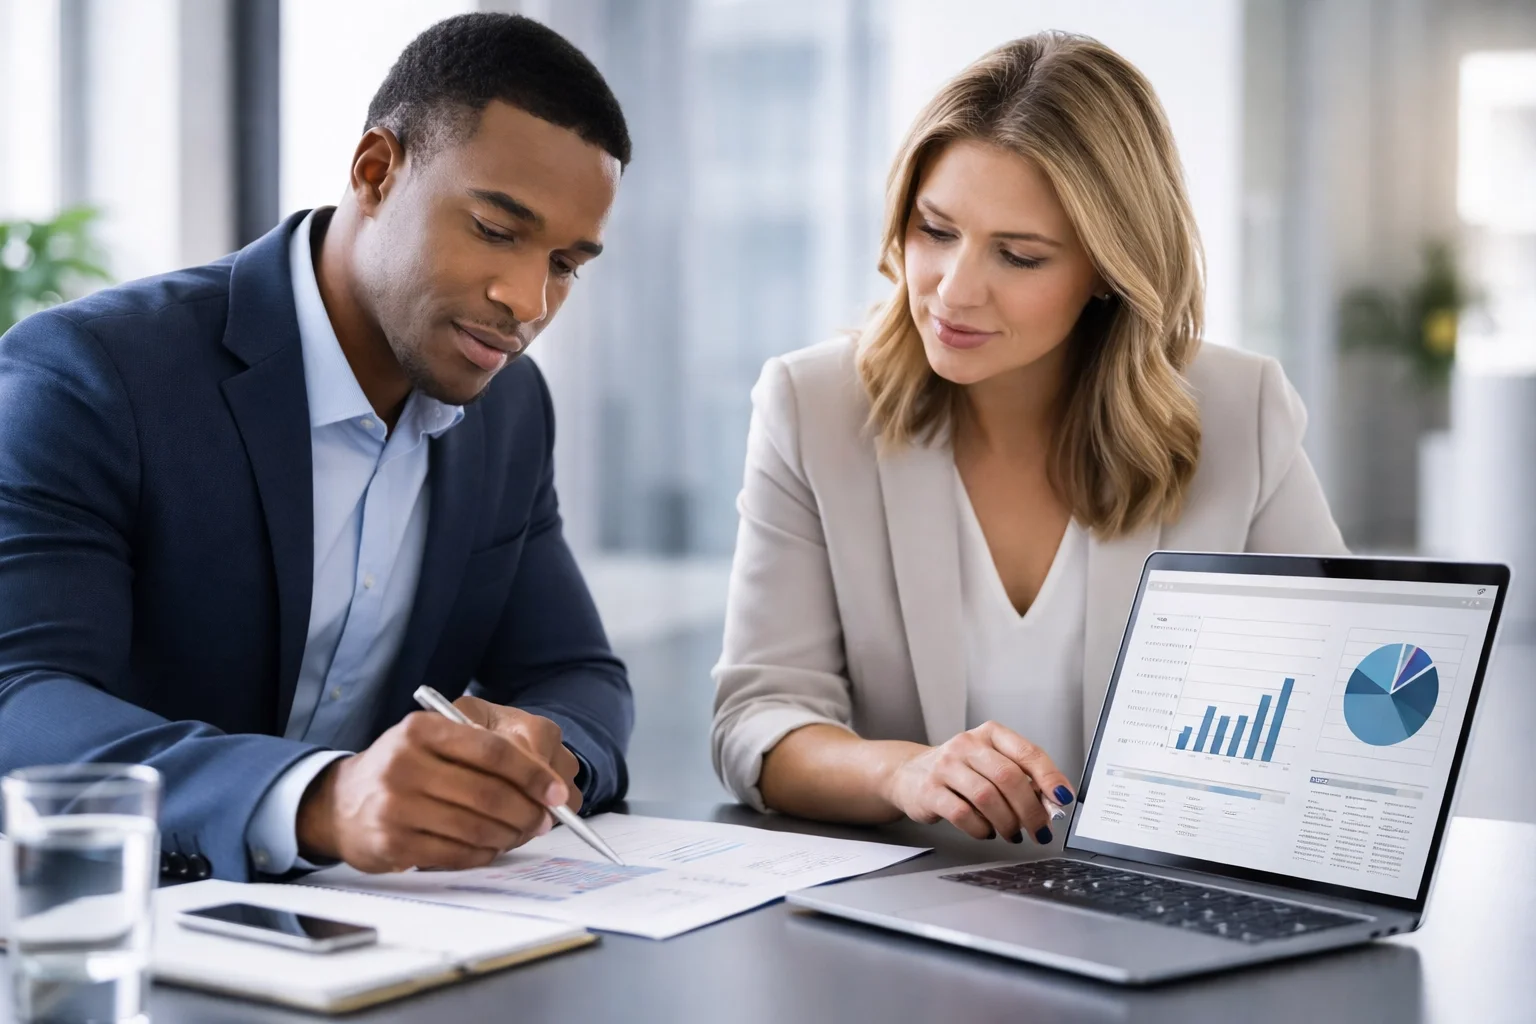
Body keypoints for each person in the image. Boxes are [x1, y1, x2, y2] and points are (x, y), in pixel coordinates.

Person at [0, 13, 633, 882]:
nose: (526, 300)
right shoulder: (94, 373)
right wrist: (317, 797)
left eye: (565, 263)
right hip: (110, 922)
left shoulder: (510, 406)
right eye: (495, 229)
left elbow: (575, 671)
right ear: (376, 173)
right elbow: (18, 700)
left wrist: (546, 754)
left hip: (377, 936)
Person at [711, 32, 1347, 848]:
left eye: (1019, 255)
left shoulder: (1239, 410)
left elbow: (1328, 706)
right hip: (911, 913)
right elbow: (756, 721)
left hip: (1155, 904)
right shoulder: (813, 405)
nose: (954, 290)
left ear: (1110, 272)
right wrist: (903, 772)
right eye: (935, 231)